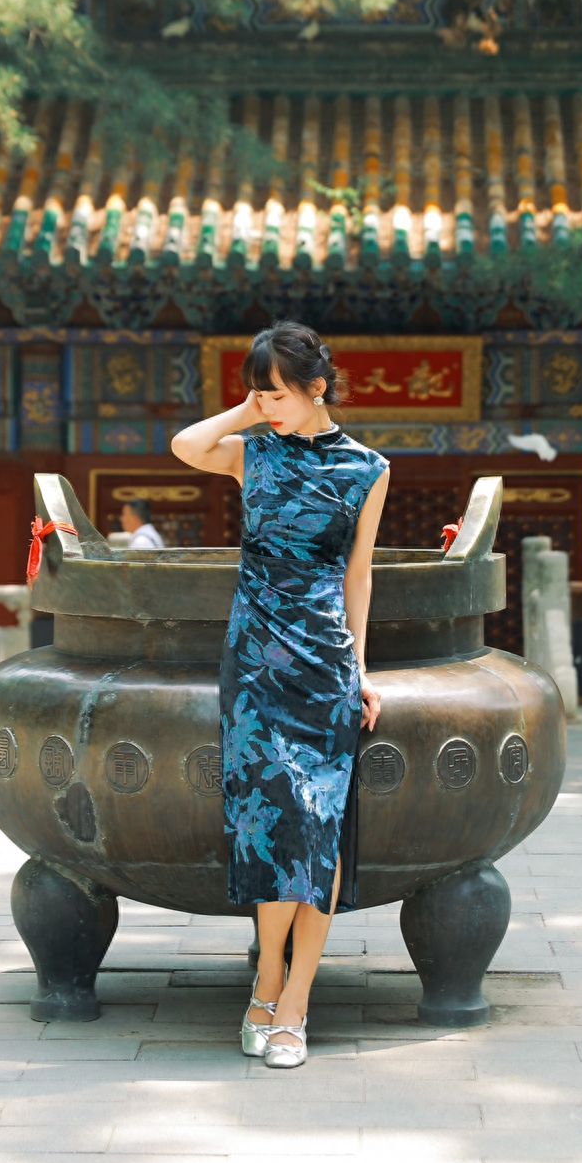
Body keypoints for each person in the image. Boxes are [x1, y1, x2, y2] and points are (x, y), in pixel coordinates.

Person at [171, 321, 389, 1070]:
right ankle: (264, 980)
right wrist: (250, 408)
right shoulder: (251, 454)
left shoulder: (368, 469)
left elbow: (358, 575)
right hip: (254, 661)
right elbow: (184, 446)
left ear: (316, 388)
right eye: (257, 393)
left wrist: (361, 669)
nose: (265, 406)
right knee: (266, 822)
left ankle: (296, 1002)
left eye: (276, 393)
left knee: (319, 826)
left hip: (324, 663)